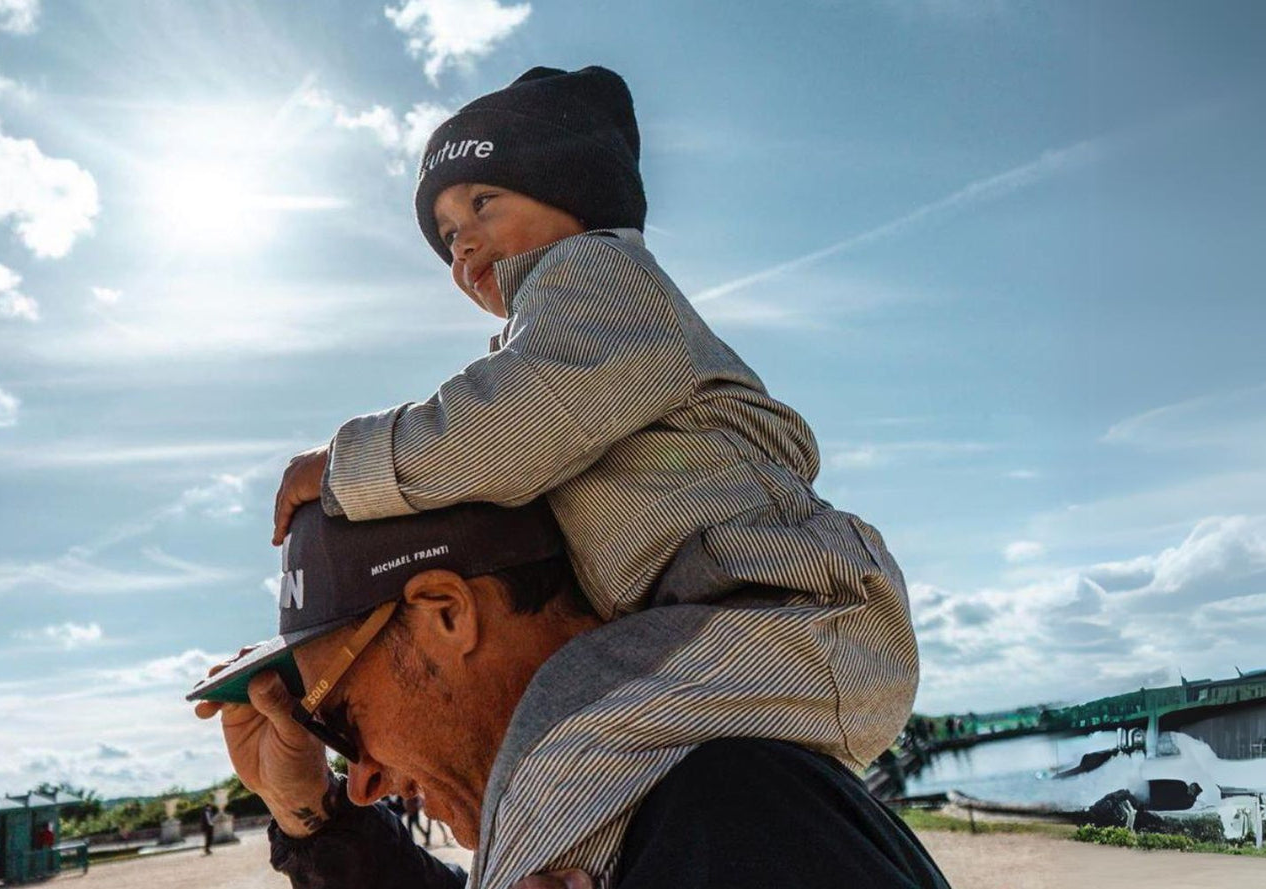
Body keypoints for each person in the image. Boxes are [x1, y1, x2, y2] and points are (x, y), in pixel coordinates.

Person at [268, 63, 917, 813]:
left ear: (573, 194)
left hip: (800, 609)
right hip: (735, 624)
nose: (463, 243)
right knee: (597, 748)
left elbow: (499, 431)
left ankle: (539, 864)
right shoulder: (548, 331)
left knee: (562, 739)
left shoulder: (600, 274)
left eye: (483, 203)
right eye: (446, 234)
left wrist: (342, 468)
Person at [192, 501, 950, 888]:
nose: (362, 780)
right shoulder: (656, 805)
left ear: (447, 613)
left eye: (341, 719)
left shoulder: (735, 810)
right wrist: (311, 813)